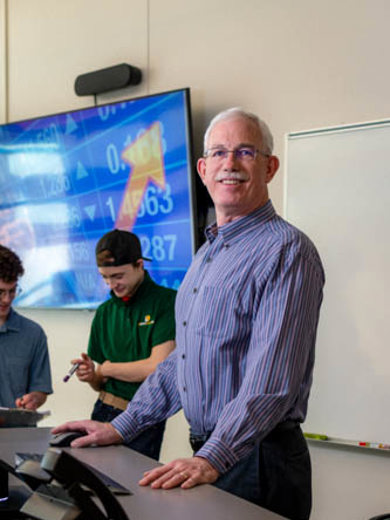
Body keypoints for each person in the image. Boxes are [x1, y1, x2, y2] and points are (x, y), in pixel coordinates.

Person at [53, 108, 325, 520]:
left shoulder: (287, 251)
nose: (229, 164)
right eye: (218, 153)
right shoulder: (206, 256)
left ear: (270, 167)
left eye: (245, 152)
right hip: (216, 452)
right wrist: (121, 427)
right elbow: (184, 362)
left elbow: (272, 382)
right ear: (202, 168)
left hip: (257, 460)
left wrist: (213, 457)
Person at [70, 230, 176, 460]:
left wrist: (106, 369)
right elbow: (101, 384)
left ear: (139, 264)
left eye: (118, 276)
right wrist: (92, 376)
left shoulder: (167, 302)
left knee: (130, 490)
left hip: (142, 418)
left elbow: (156, 368)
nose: (111, 285)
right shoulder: (105, 312)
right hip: (102, 409)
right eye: (105, 277)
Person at [0, 244, 52, 410]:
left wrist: (34, 399)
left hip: (18, 433)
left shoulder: (33, 334)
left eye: (12, 291)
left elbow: (40, 390)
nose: (7, 299)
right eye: (0, 292)